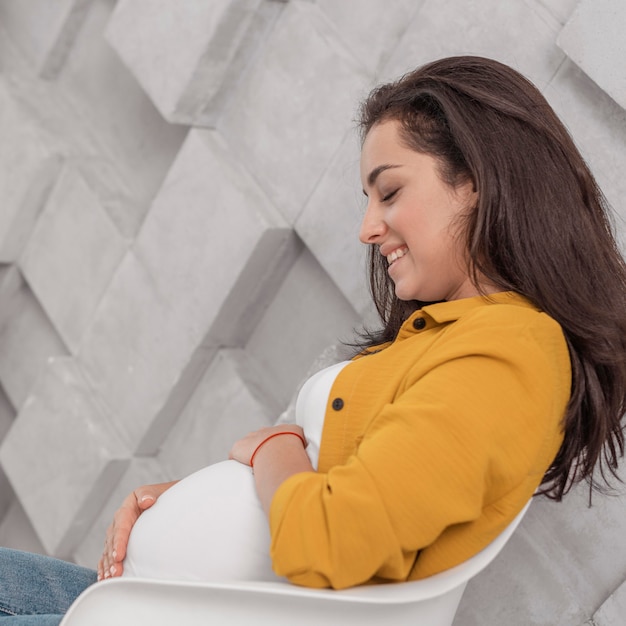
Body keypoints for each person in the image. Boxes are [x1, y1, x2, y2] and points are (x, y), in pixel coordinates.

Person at [2, 55, 626, 623]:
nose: (366, 228)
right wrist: (182, 500)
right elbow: (334, 477)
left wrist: (271, 443)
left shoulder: (511, 354)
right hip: (139, 600)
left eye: (390, 191)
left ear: (476, 180)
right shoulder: (452, 336)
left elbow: (327, 537)